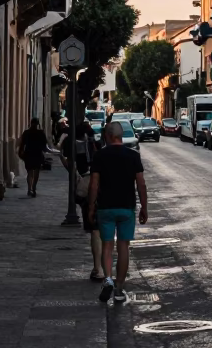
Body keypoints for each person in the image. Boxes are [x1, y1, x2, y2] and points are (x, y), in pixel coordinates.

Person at [88, 119, 148, 304]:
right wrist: (144, 207)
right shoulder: (133, 156)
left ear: (107, 136)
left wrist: (91, 208)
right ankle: (119, 288)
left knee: (107, 245)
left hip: (105, 207)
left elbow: (94, 184)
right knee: (123, 247)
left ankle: (107, 279)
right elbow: (141, 184)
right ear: (120, 136)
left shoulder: (99, 156)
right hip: (126, 207)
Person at [60, 116, 102, 281]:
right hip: (100, 188)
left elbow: (70, 166)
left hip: (86, 186)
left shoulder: (74, 145)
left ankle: (97, 268)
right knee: (101, 230)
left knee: (95, 230)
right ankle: (102, 268)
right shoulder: (94, 145)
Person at [19, 117, 48, 198]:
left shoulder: (26, 133)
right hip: (37, 154)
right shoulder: (41, 133)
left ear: (31, 123)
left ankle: (29, 189)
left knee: (30, 172)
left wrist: (20, 153)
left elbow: (22, 144)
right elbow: (44, 145)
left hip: (29, 153)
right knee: (36, 172)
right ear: (38, 124)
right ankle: (33, 188)